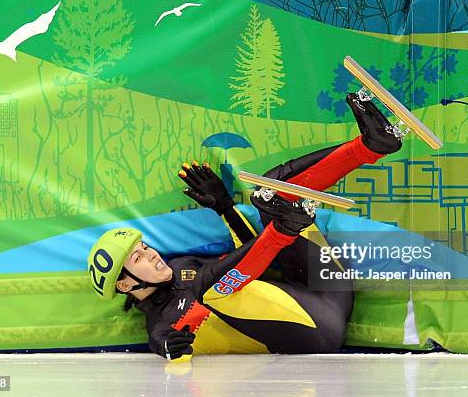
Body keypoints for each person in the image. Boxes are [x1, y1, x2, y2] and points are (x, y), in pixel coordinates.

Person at [87, 93, 402, 360]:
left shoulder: (182, 264)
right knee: (210, 291)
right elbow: (162, 343)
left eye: (144, 248)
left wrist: (224, 206)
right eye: (138, 259)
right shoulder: (161, 325)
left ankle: (370, 146)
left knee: (269, 190)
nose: (152, 254)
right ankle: (284, 227)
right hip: (317, 333)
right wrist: (168, 348)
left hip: (325, 283)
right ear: (125, 285)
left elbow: (252, 262)